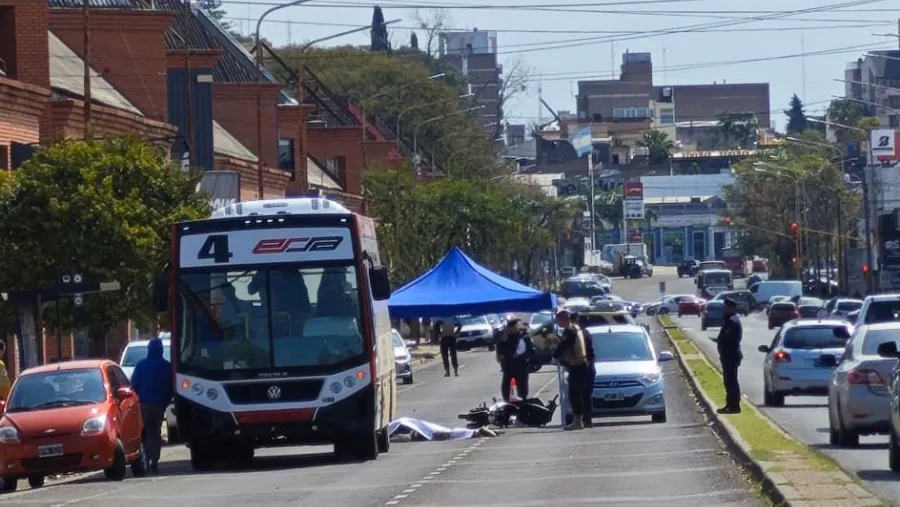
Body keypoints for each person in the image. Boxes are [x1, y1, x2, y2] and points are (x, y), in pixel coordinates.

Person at [130, 337, 173, 473]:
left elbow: (134, 385)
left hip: (143, 403)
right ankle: (154, 460)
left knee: (144, 432)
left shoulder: (141, 365)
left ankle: (146, 458)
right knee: (155, 432)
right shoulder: (166, 366)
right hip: (159, 404)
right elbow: (170, 387)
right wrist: (166, 401)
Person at [553, 309, 588, 431]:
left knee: (574, 395)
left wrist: (554, 355)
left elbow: (564, 346)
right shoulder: (575, 328)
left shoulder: (570, 331)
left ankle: (577, 421)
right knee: (576, 394)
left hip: (577, 365)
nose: (557, 323)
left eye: (558, 320)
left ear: (564, 319)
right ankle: (578, 420)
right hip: (580, 364)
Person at [716, 298, 743, 414]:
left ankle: (734, 406)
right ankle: (729, 404)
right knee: (729, 381)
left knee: (731, 381)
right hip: (728, 355)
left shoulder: (732, 321)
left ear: (730, 308)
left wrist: (720, 340)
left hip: (731, 355)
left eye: (725, 307)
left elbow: (729, 338)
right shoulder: (730, 320)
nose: (722, 309)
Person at [497, 319, 533, 402]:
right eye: (514, 326)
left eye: (517, 325)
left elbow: (529, 347)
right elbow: (501, 349)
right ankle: (507, 399)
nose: (516, 327)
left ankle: (523, 399)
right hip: (509, 364)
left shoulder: (523, 335)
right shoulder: (506, 337)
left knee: (522, 383)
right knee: (506, 384)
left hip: (521, 364)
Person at [571, 313, 595, 429]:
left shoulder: (577, 333)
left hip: (581, 366)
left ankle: (579, 421)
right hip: (589, 366)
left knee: (577, 394)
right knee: (586, 395)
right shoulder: (586, 332)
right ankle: (587, 420)